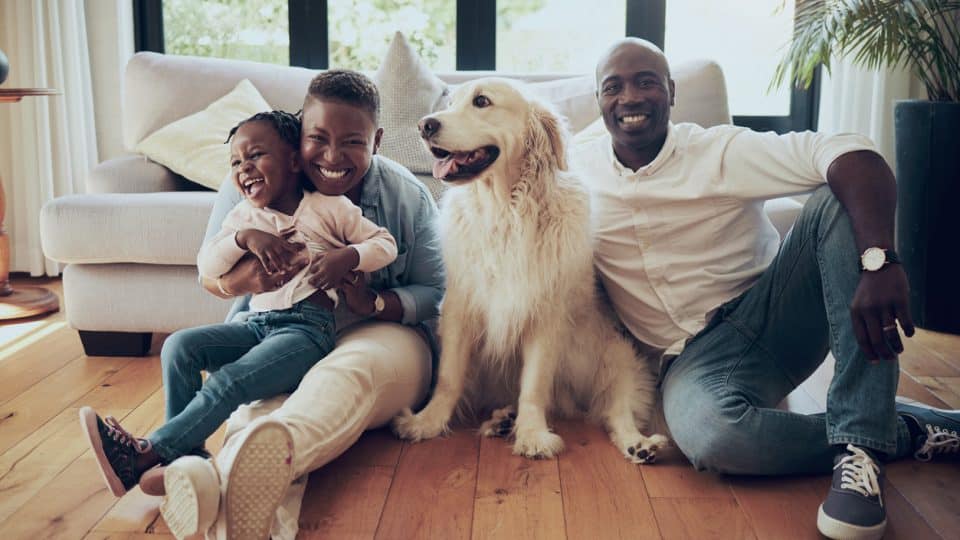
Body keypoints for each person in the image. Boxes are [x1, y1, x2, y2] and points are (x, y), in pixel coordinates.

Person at [577, 38, 959, 540]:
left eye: (646, 82)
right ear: (599, 101)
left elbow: (847, 150)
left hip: (775, 315)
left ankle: (860, 453)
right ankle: (906, 429)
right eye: (614, 87)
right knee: (714, 437)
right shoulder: (575, 165)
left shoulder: (720, 149)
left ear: (671, 93)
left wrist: (879, 261)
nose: (629, 97)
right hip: (690, 360)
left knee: (834, 196)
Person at [139, 70, 442, 540]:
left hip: (382, 332)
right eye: (317, 138)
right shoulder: (251, 185)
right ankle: (208, 490)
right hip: (278, 325)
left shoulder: (406, 195)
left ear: (377, 141)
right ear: (298, 135)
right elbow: (210, 274)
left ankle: (216, 477)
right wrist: (246, 277)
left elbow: (435, 293)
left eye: (353, 143)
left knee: (340, 377)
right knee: (255, 402)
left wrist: (373, 301)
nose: (333, 157)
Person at [78, 109, 399, 501]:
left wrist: (346, 257)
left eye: (256, 155)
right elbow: (208, 265)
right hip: (255, 323)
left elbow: (385, 244)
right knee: (180, 346)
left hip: (306, 332)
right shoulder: (242, 217)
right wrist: (245, 238)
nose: (244, 168)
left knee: (229, 380)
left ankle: (149, 453)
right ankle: (183, 462)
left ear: (294, 161)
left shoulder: (328, 208)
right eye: (235, 161)